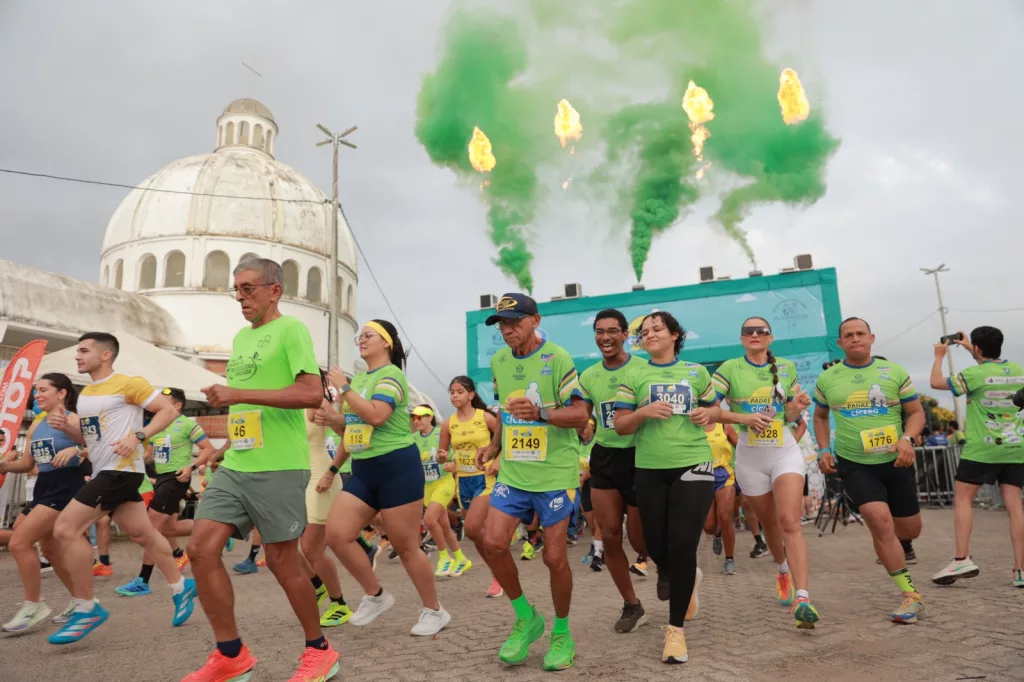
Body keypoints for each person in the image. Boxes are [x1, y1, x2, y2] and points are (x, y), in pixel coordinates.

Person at [183, 258, 339, 681]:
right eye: (237, 289)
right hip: (238, 463)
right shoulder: (240, 337)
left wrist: (238, 391)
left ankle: (319, 649)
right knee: (200, 548)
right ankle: (231, 654)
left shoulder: (292, 330)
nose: (240, 297)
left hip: (280, 466)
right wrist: (222, 444)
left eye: (249, 288)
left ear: (275, 291)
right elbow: (246, 407)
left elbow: (310, 393)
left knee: (281, 561)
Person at [47, 332, 196, 645]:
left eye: (84, 350)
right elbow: (89, 439)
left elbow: (168, 411)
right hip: (107, 470)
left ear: (105, 355)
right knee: (143, 533)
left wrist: (139, 437)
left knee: (64, 529)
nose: (78, 356)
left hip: (120, 471)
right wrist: (68, 429)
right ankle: (181, 587)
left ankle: (87, 608)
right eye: (78, 351)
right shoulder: (86, 393)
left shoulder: (129, 383)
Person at [476, 293, 589, 671]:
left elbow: (579, 415)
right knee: (492, 543)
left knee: (554, 557)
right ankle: (526, 617)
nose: (507, 330)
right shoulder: (498, 360)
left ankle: (561, 632)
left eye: (515, 322)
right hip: (515, 471)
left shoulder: (558, 358)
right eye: (502, 324)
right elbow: (506, 415)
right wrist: (494, 446)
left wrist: (540, 413)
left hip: (555, 473)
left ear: (535, 320)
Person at [324, 319, 451, 637]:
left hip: (397, 468)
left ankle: (434, 610)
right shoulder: (362, 378)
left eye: (368, 335)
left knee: (406, 546)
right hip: (365, 468)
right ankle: (376, 595)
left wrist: (343, 387)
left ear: (386, 343)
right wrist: (333, 417)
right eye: (359, 336)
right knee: (337, 534)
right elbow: (356, 424)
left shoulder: (391, 376)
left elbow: (377, 415)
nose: (361, 340)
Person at [613, 311, 719, 664]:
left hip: (694, 462)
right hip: (649, 468)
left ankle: (675, 633)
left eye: (657, 328)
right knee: (655, 545)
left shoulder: (697, 371)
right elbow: (621, 426)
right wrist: (643, 412)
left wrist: (708, 415)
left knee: (682, 545)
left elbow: (714, 410)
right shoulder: (634, 374)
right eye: (644, 331)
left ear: (675, 334)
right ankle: (686, 579)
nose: (650, 334)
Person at [814, 317, 927, 623]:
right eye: (848, 335)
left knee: (909, 529)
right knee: (879, 522)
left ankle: (899, 544)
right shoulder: (829, 379)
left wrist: (908, 439)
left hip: (896, 460)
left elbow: (915, 413)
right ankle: (909, 595)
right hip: (854, 463)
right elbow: (820, 417)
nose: (855, 339)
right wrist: (824, 449)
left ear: (872, 338)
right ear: (840, 343)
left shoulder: (894, 372)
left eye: (860, 333)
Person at [713, 317, 818, 628]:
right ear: (742, 338)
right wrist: (743, 420)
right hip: (749, 456)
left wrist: (796, 408)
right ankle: (783, 570)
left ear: (770, 337)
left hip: (784, 450)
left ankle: (803, 596)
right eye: (749, 331)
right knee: (769, 522)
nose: (755, 335)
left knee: (789, 520)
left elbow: (787, 414)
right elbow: (712, 408)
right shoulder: (729, 368)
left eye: (761, 331)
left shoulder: (786, 367)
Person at [928, 326, 1024, 588]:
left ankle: (961, 557)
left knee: (963, 497)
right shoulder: (1017, 370)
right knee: (1015, 505)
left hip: (983, 447)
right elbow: (989, 365)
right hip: (1016, 447)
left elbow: (936, 383)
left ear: (979, 349)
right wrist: (970, 346)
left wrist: (939, 355)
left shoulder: (974, 374)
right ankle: (1021, 569)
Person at [576, 308, 648, 633]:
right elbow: (581, 413)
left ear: (624, 335)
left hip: (641, 456)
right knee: (609, 535)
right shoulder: (589, 376)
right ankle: (632, 604)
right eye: (599, 331)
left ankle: (678, 576)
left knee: (639, 538)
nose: (605, 337)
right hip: (604, 458)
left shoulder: (644, 368)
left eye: (611, 331)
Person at [1, 374, 84, 633]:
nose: (37, 395)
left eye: (43, 390)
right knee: (50, 550)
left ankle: (33, 604)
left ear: (62, 393)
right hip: (44, 486)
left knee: (19, 542)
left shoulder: (73, 419)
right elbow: (27, 465)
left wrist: (77, 450)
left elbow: (99, 445)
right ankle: (83, 602)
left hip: (67, 486)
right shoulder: (37, 424)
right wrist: (3, 464)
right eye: (36, 391)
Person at [116, 387, 215, 597]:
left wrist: (191, 467)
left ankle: (143, 579)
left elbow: (208, 449)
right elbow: (149, 455)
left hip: (176, 477)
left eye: (166, 400)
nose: (158, 403)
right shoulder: (157, 426)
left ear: (177, 404)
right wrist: (126, 458)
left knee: (152, 526)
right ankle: (217, 527)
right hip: (161, 478)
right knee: (169, 529)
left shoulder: (188, 424)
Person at [438, 376, 501, 597]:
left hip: (484, 479)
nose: (454, 395)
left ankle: (499, 566)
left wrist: (498, 460)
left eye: (459, 391)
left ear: (471, 395)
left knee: (473, 527)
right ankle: (498, 573)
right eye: (452, 392)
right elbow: (442, 455)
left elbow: (503, 439)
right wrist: (445, 459)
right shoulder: (448, 423)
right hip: (462, 482)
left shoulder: (485, 418)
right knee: (476, 534)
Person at [305, 373, 353, 628]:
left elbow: (347, 436)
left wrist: (332, 472)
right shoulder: (288, 406)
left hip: (320, 479)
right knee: (287, 546)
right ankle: (317, 586)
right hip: (298, 481)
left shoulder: (319, 404)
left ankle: (339, 604)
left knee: (310, 546)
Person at [411, 404, 468, 578]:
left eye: (420, 417)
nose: (416, 421)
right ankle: (461, 558)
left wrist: (452, 464)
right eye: (414, 417)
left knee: (429, 519)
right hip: (427, 487)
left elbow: (455, 456)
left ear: (430, 417)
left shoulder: (440, 435)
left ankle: (444, 557)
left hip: (443, 483)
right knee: (443, 525)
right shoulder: (412, 439)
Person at [703, 422, 739, 575]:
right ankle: (717, 534)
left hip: (724, 475)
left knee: (725, 517)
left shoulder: (724, 426)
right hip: (702, 475)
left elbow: (742, 449)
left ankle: (729, 559)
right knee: (709, 527)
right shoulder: (693, 426)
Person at [577, 420, 603, 572]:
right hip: (581, 485)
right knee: (591, 523)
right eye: (582, 428)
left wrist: (583, 478)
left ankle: (598, 555)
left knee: (598, 521)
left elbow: (597, 464)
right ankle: (597, 546)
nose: (584, 431)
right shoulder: (577, 443)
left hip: (595, 481)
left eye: (587, 428)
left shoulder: (597, 443)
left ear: (593, 428)